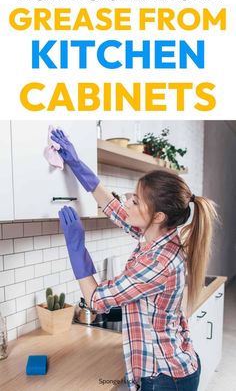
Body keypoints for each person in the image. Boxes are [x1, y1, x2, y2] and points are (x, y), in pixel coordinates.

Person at [51, 129, 218, 391]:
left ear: (159, 216)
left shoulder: (158, 262)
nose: (127, 201)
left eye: (136, 200)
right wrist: (76, 163)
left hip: (163, 377)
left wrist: (76, 248)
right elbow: (113, 207)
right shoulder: (158, 235)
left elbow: (96, 301)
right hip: (170, 366)